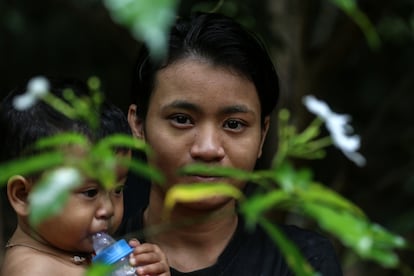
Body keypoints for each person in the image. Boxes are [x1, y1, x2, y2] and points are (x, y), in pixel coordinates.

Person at [119, 11, 343, 275]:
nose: (208, 148)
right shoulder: (90, 255)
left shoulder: (301, 261)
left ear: (262, 134)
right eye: (182, 119)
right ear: (138, 125)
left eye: (234, 124)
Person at [0, 77, 170, 276]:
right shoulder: (32, 270)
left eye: (118, 190)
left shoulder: (76, 251)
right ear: (24, 195)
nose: (108, 209)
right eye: (90, 192)